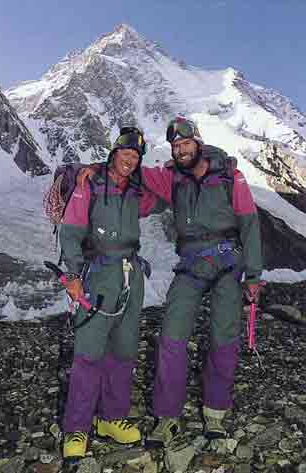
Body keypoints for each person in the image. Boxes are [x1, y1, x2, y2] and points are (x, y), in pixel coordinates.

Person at [79, 117, 263, 447]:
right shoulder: (170, 178)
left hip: (228, 264)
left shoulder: (229, 177)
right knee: (171, 336)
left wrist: (254, 275)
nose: (180, 150)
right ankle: (167, 417)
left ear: (198, 142)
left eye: (185, 144)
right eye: (175, 147)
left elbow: (249, 224)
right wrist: (96, 167)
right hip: (191, 265)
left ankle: (215, 413)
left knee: (224, 336)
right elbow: (131, 171)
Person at [59, 126, 161, 459]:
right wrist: (72, 274)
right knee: (88, 353)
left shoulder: (137, 191)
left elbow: (164, 194)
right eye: (125, 154)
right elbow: (72, 230)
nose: (130, 161)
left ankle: (111, 419)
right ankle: (77, 427)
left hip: (132, 276)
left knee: (124, 350)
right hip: (98, 274)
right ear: (113, 153)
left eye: (135, 156)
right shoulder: (90, 183)